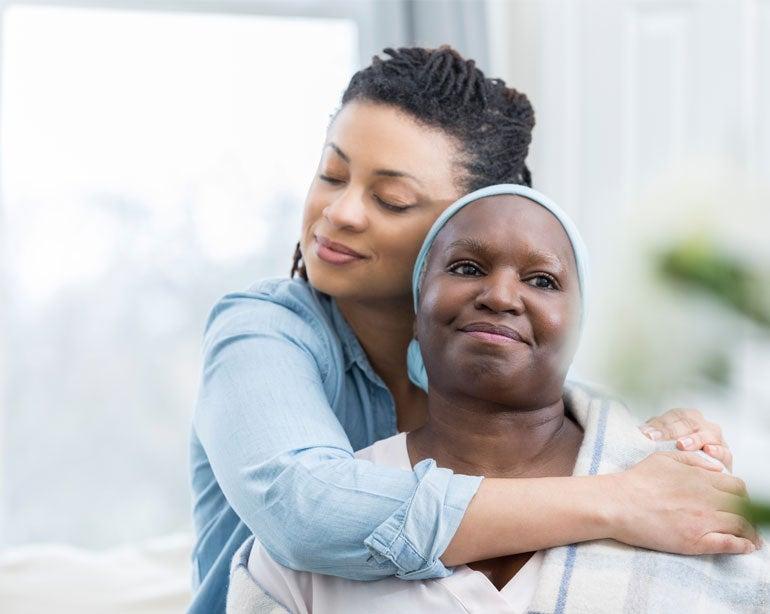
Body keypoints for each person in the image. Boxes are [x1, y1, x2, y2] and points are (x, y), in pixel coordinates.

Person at [190, 47, 744, 613]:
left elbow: (581, 418)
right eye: (332, 175)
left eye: (391, 200)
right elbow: (304, 513)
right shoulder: (263, 329)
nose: (341, 213)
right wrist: (621, 501)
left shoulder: (487, 351)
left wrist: (656, 433)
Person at [229, 184, 766, 614]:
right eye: (466, 268)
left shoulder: (685, 497)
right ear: (416, 313)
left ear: (581, 329)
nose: (502, 296)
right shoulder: (310, 543)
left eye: (541, 280)